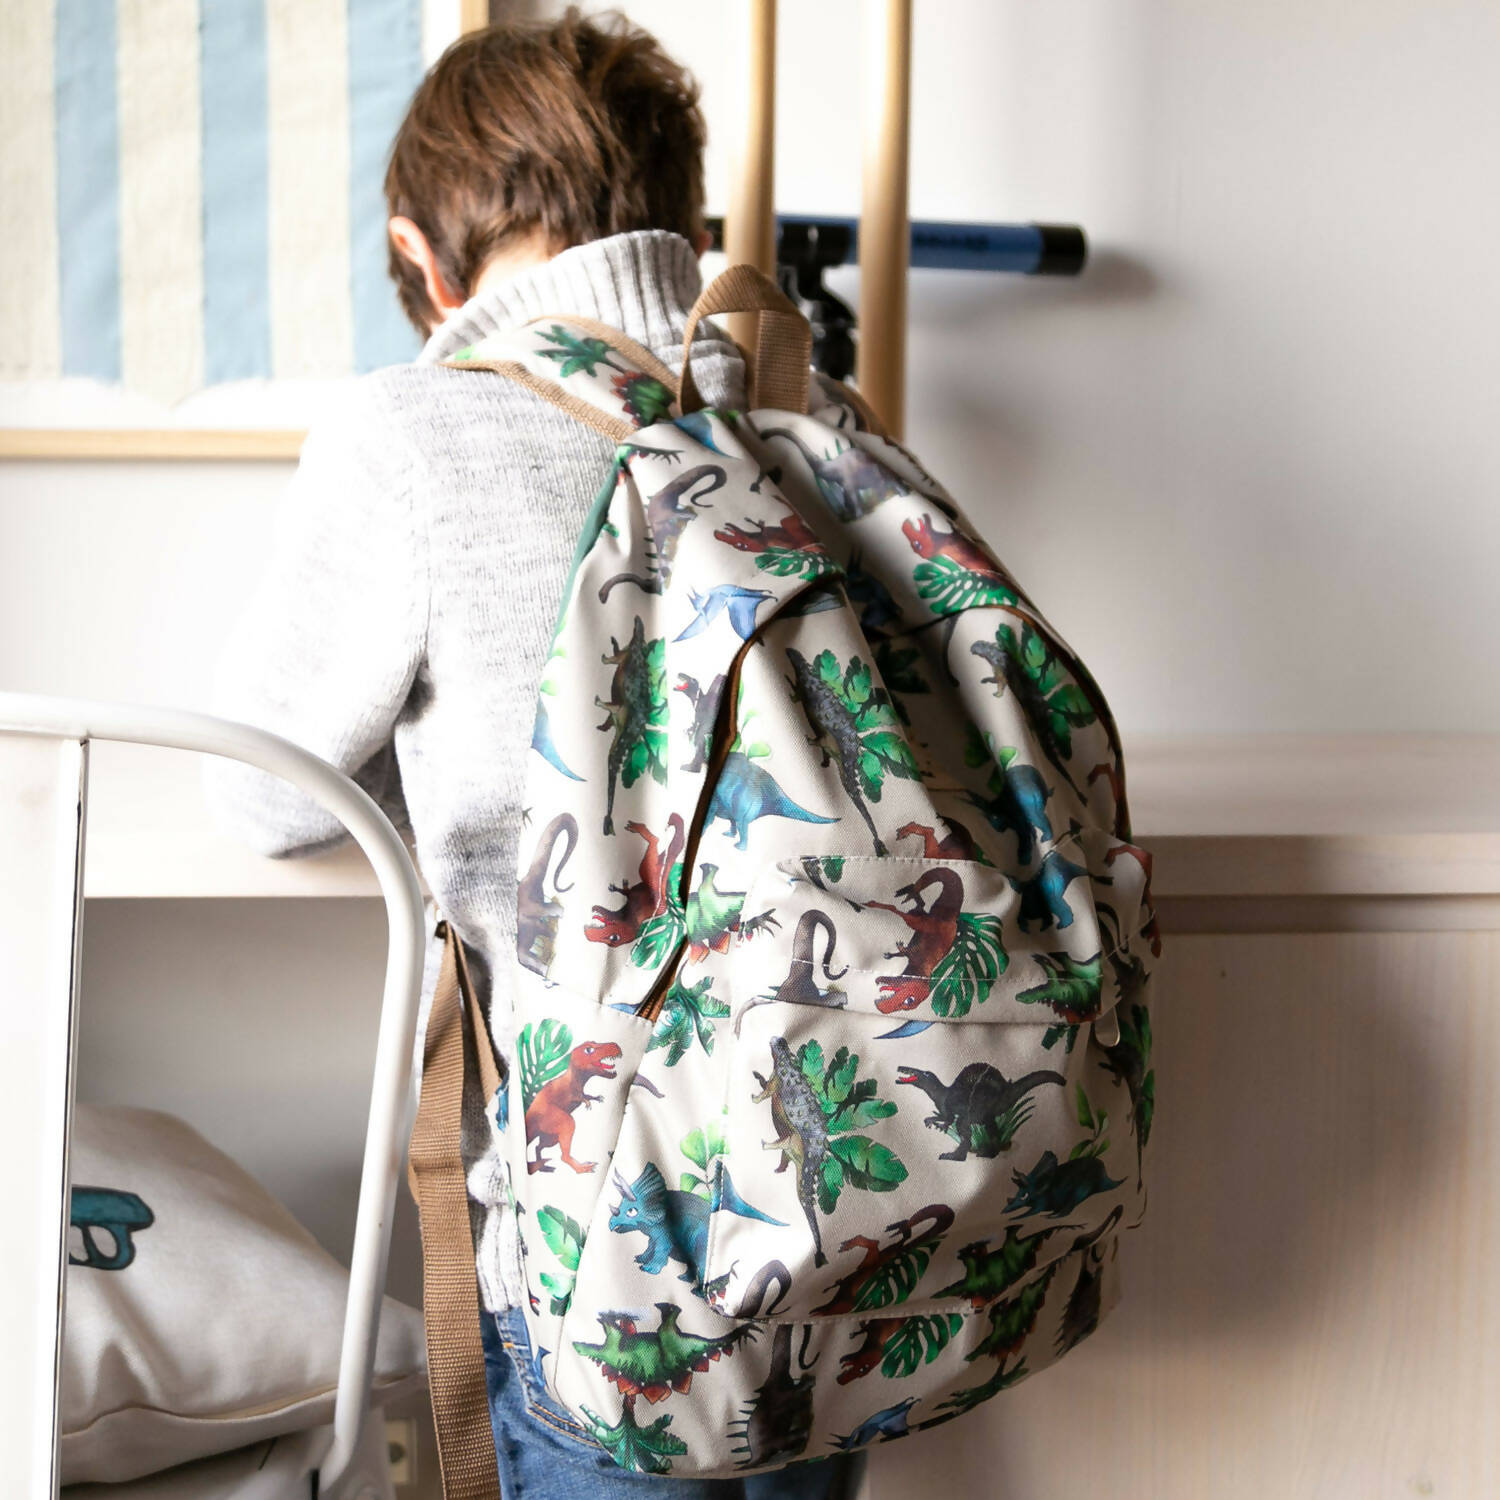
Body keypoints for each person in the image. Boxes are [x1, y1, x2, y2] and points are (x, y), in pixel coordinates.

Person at [206, 11, 862, 1498]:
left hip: (606, 1233)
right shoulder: (817, 414)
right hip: (852, 1196)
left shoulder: (414, 433)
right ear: (682, 222)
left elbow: (256, 789)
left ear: (423, 257)